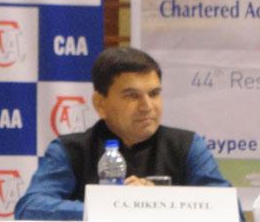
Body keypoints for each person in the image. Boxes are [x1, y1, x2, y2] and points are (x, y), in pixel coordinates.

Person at [15, 46, 238, 220]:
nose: (147, 106)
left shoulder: (186, 145)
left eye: (154, 93)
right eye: (132, 96)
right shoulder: (71, 150)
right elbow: (29, 208)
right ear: (100, 103)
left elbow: (231, 211)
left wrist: (161, 203)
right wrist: (117, 206)